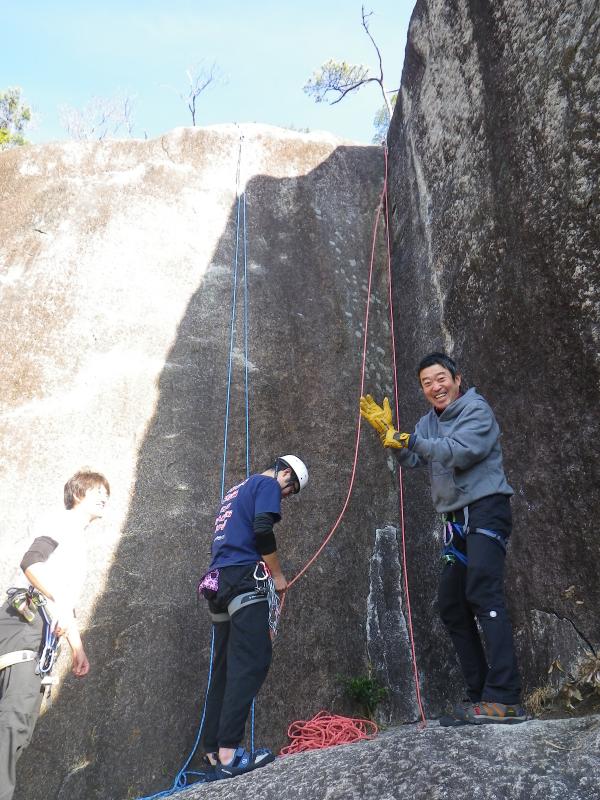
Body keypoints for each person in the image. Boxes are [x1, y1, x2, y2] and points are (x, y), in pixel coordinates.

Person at [360, 353, 526, 726]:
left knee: (483, 591)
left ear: (456, 378)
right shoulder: (427, 423)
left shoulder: (476, 410)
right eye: (427, 383)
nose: (435, 387)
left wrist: (411, 439)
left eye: (440, 379)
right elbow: (414, 458)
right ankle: (482, 695)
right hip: (456, 520)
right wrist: (390, 437)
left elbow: (459, 452)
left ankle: (507, 697)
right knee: (451, 604)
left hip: (486, 509)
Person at [0, 469, 110, 800]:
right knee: (13, 722)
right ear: (78, 494)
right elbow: (31, 563)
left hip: (35, 633)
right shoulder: (62, 523)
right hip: (24, 627)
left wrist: (77, 649)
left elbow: (65, 606)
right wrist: (54, 597)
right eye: (98, 492)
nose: (105, 497)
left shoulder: (76, 543)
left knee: (17, 725)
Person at [197, 455, 308, 780]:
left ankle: (214, 751)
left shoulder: (235, 490)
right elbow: (262, 530)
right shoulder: (267, 484)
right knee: (252, 660)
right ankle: (230, 753)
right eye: (292, 489)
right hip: (244, 579)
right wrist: (276, 574)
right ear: (285, 473)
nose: (287, 495)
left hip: (217, 582)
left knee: (224, 666)